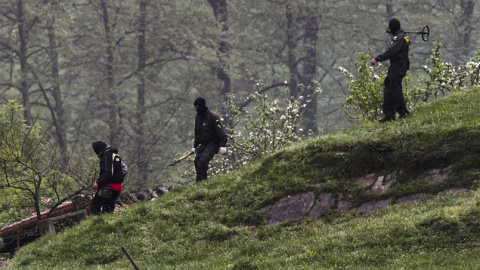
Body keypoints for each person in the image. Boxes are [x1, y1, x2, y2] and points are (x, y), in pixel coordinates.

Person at [370, 18, 411, 123]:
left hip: (398, 65)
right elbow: (407, 42)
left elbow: (391, 52)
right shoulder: (403, 36)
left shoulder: (399, 38)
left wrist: (377, 59)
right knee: (389, 86)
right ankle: (389, 115)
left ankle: (403, 112)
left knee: (394, 88)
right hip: (398, 65)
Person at [191, 97, 228, 182]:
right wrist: (195, 146)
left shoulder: (213, 117)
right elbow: (197, 133)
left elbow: (221, 132)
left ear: (201, 106)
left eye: (197, 107)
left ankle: (200, 183)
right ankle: (202, 181)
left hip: (213, 144)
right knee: (197, 161)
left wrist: (223, 145)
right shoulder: (198, 118)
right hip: (203, 144)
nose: (196, 109)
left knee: (203, 161)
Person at [90, 140, 123, 214]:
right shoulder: (115, 155)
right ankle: (108, 223)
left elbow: (108, 173)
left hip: (108, 187)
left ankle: (97, 223)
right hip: (118, 186)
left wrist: (98, 183)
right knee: (108, 207)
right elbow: (124, 169)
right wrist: (118, 179)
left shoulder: (106, 155)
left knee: (94, 206)